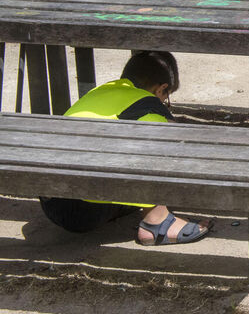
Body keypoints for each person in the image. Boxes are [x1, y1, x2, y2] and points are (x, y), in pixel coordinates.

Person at [39, 51, 213, 245]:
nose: (165, 103)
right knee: (165, 143)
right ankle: (157, 222)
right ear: (161, 89)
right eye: (167, 97)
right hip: (85, 209)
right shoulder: (149, 108)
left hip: (50, 200)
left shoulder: (102, 91)